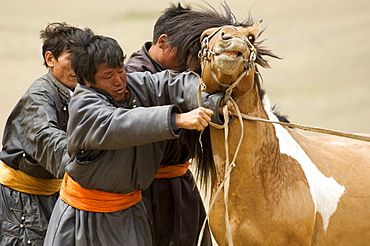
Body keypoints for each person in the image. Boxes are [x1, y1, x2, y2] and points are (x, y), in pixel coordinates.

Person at [44, 27, 227, 246]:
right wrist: (176, 120)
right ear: (87, 80)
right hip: (86, 217)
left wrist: (213, 102)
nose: (119, 81)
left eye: (120, 70)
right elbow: (119, 124)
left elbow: (174, 83)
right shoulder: (83, 105)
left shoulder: (135, 85)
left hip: (131, 211)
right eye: (107, 76)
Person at [125, 3, 243, 245]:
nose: (191, 60)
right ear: (163, 42)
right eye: (187, 51)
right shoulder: (133, 75)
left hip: (181, 185)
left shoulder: (188, 73)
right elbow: (167, 96)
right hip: (143, 194)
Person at [0, 22, 82, 245]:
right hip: (22, 199)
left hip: (56, 191)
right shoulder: (39, 96)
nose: (78, 66)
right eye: (71, 58)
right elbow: (47, 138)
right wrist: (90, 166)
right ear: (50, 59)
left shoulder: (79, 92)